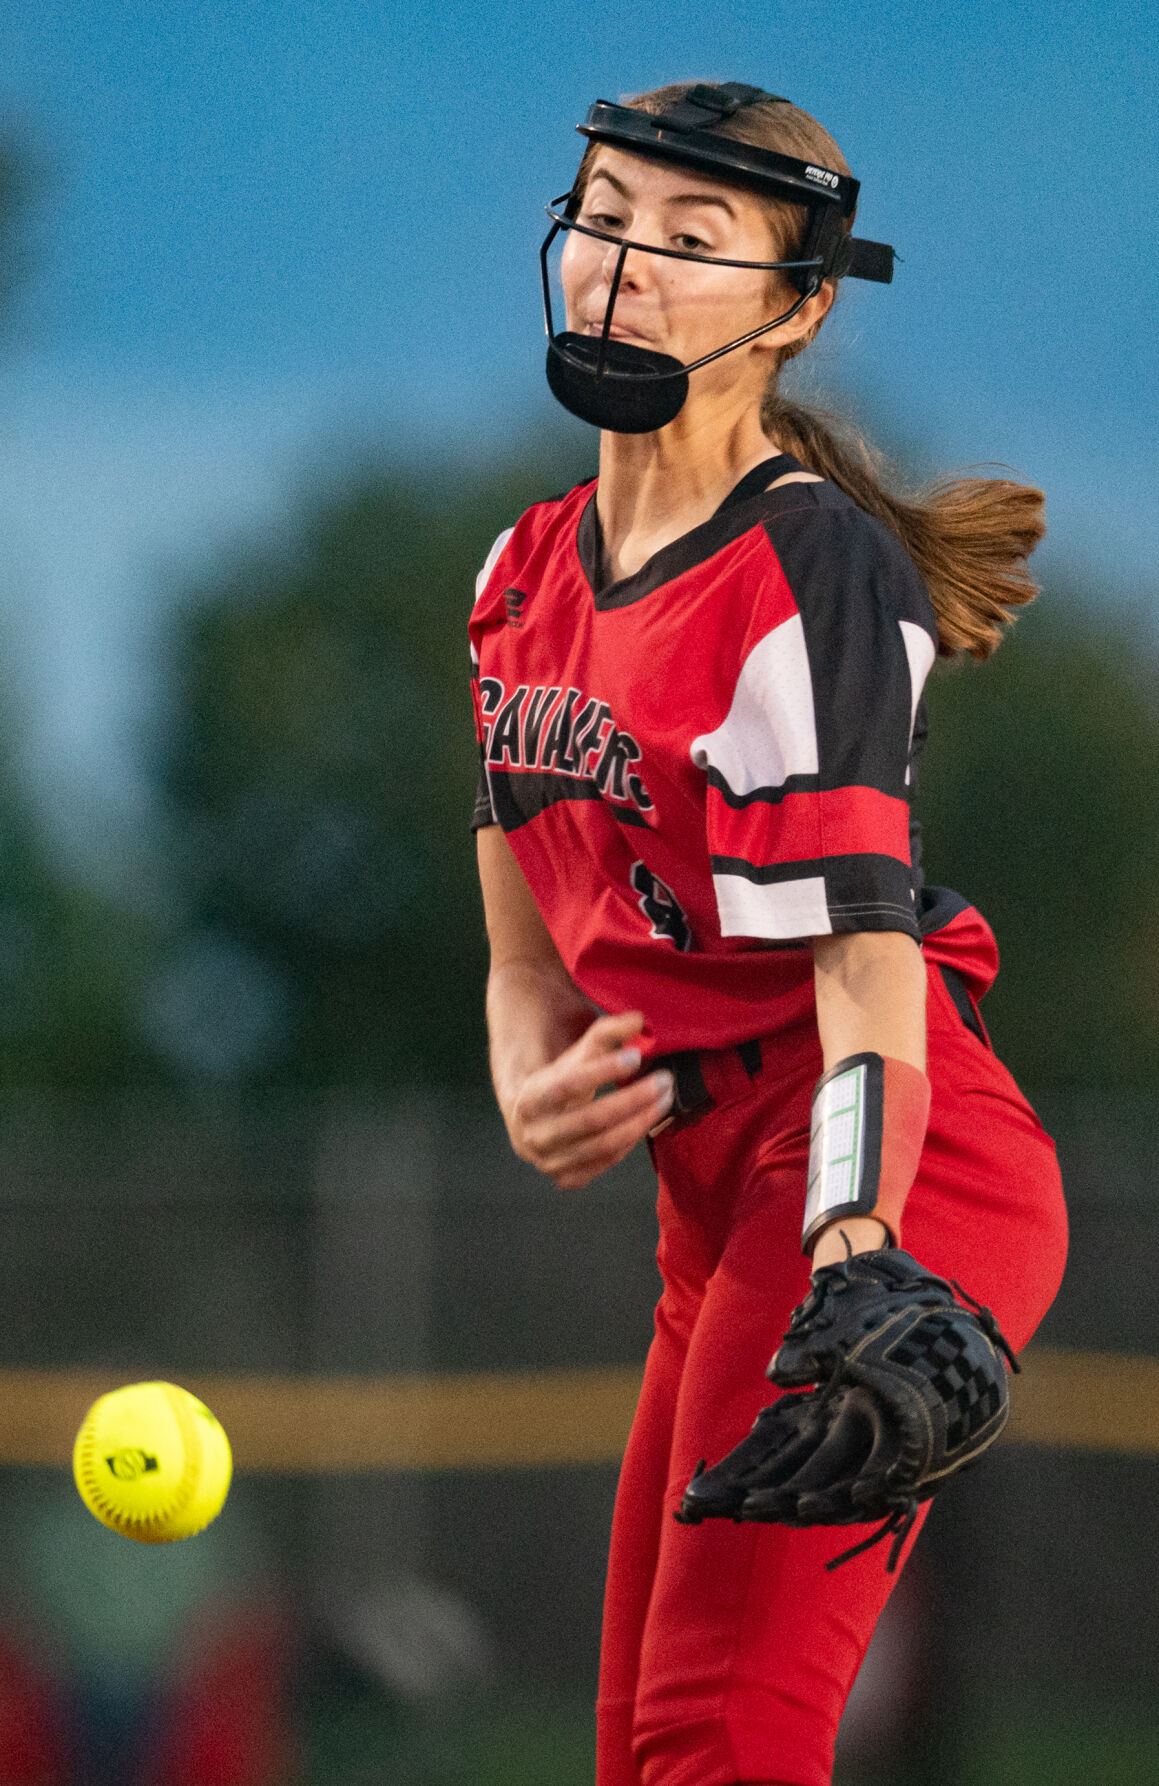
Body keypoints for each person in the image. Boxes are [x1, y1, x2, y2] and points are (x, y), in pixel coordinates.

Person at [469, 81, 1068, 1786]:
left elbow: (865, 959)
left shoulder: (807, 566)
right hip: (714, 1190)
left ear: (799, 309)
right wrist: (527, 1074)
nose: (623, 263)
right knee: (642, 1752)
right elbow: (525, 950)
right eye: (604, 209)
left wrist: (858, 1244)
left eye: (692, 235)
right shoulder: (523, 574)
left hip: (878, 1155)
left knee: (719, 1741)